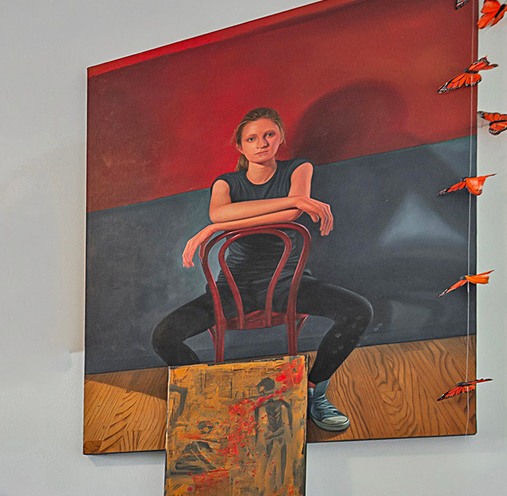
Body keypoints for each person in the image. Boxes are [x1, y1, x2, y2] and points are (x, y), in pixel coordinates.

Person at [150, 107, 373, 432]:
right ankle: (208, 397)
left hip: (289, 285)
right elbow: (224, 214)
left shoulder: (299, 168)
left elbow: (291, 216)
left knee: (358, 311)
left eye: (269, 135)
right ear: (240, 147)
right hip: (233, 291)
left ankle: (313, 392)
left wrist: (221, 224)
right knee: (163, 336)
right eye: (252, 138)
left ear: (280, 137)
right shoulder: (226, 182)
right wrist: (217, 225)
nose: (262, 143)